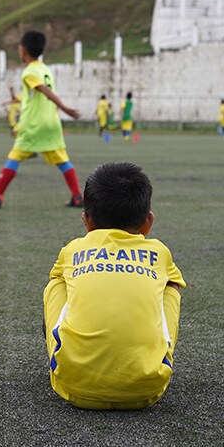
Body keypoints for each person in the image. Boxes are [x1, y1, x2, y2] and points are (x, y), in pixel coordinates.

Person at [43, 161, 185, 410]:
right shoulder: (159, 251)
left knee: (57, 281)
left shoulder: (73, 249)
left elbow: (59, 279)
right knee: (171, 284)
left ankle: (66, 352)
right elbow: (172, 285)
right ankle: (154, 358)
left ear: (86, 221)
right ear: (148, 222)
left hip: (72, 386)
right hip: (148, 389)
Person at [0, 30, 83, 208]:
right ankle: (78, 196)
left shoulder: (29, 72)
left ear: (23, 50)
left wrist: (64, 107)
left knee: (15, 156)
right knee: (63, 160)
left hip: (34, 124)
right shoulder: (45, 69)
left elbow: (43, 90)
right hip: (51, 122)